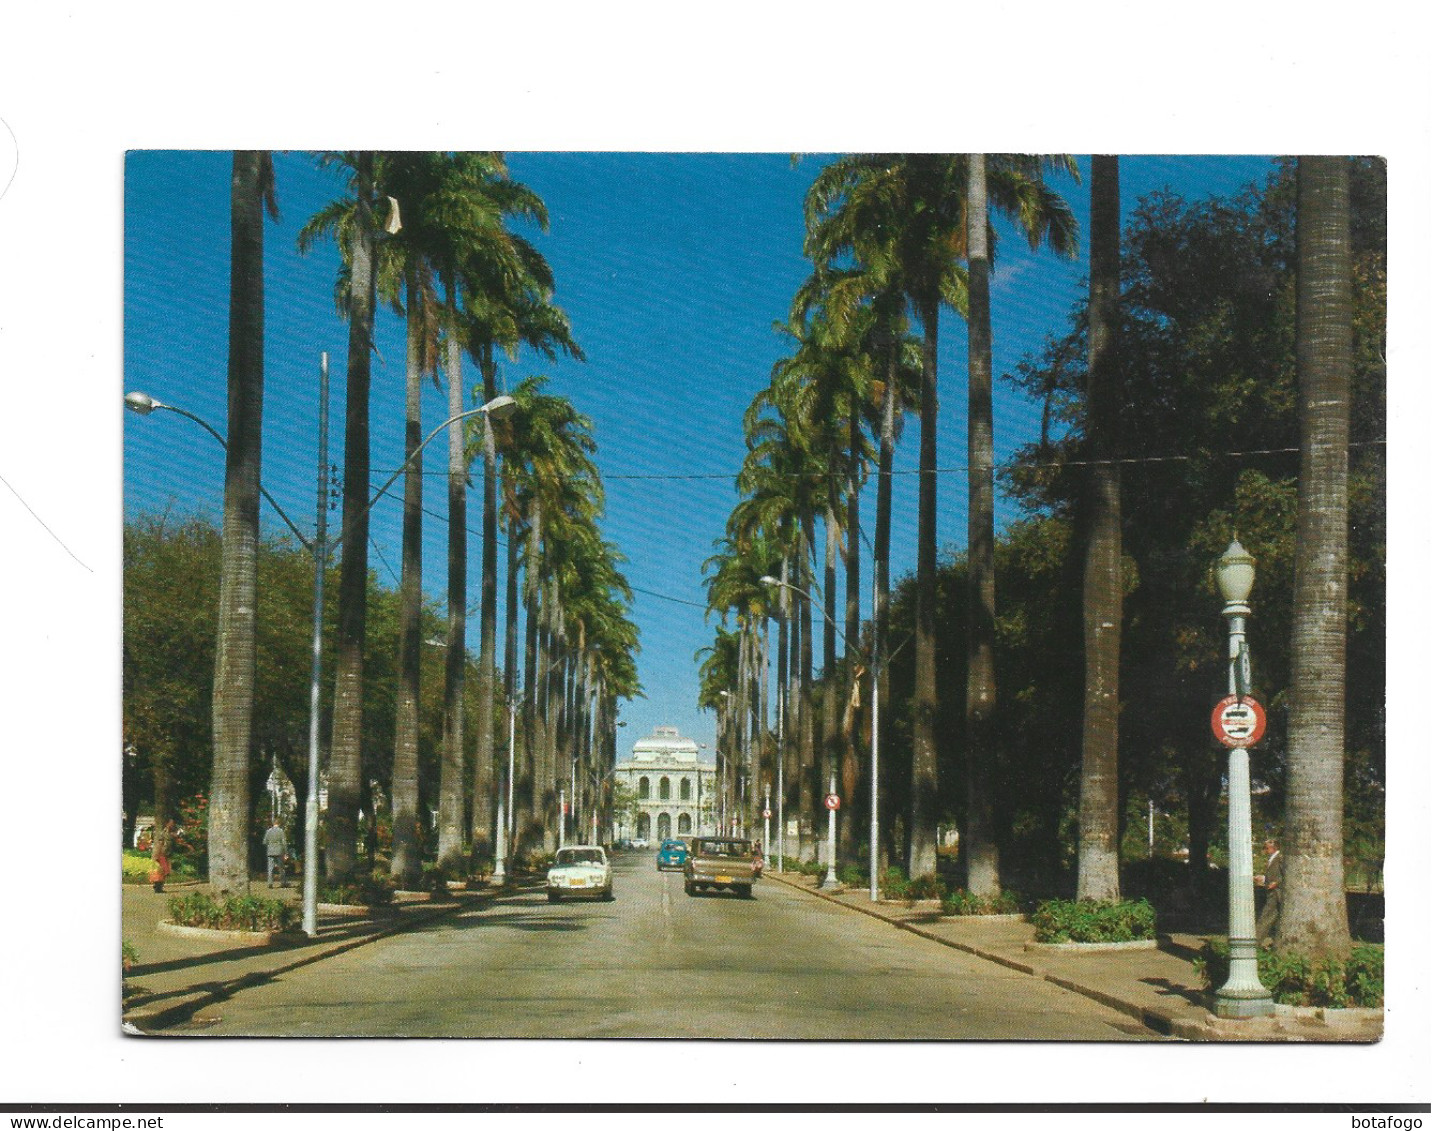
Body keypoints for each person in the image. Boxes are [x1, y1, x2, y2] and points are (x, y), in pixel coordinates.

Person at [1256, 837, 1283, 944]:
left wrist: (1277, 883)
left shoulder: (1280, 858)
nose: (1264, 850)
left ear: (1273, 847)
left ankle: (1255, 942)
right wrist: (1263, 879)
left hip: (1276, 893)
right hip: (1271, 892)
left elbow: (1285, 874)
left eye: (1266, 848)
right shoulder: (1272, 859)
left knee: (1266, 917)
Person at [150, 819, 174, 893]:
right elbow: (160, 843)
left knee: (164, 871)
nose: (172, 825)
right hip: (162, 854)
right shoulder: (163, 833)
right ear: (167, 824)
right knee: (161, 871)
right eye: (171, 823)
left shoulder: (169, 833)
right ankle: (157, 887)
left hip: (166, 854)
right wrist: (158, 854)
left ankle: (158, 886)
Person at [264, 819, 289, 888]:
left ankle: (270, 883)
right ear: (279, 824)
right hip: (279, 851)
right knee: (281, 868)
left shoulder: (268, 831)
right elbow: (284, 842)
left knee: (270, 868)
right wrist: (286, 852)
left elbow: (265, 841)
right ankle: (283, 882)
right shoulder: (281, 831)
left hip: (270, 851)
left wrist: (270, 845)